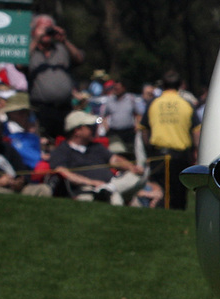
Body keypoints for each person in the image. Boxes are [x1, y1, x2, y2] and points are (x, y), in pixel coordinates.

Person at [48, 111, 146, 204]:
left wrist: (131, 167)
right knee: (113, 196)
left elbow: (114, 159)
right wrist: (92, 183)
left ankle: (108, 189)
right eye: (90, 127)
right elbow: (64, 173)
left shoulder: (96, 147)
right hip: (86, 189)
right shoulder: (61, 151)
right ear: (77, 131)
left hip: (113, 183)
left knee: (141, 175)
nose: (94, 129)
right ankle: (108, 190)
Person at [141, 70, 197, 210]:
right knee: (179, 194)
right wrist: (196, 151)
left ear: (163, 85)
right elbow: (197, 131)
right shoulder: (187, 104)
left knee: (160, 192)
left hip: (158, 154)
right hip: (181, 156)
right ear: (179, 85)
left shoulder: (153, 103)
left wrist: (148, 150)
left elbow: (144, 129)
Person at [27, 14, 84, 139]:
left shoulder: (61, 49)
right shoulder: (31, 50)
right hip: (41, 109)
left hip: (65, 107)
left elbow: (79, 59)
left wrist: (64, 40)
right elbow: (20, 63)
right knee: (44, 141)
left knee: (65, 141)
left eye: (49, 28)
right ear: (33, 31)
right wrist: (36, 39)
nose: (47, 32)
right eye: (42, 28)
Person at [0, 116, 52, 196]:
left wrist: (21, 181)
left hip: (16, 187)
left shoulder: (6, 148)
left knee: (43, 189)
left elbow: (23, 170)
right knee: (1, 193)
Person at [98, 75, 146, 160]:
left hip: (129, 132)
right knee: (116, 153)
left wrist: (137, 126)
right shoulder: (109, 100)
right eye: (115, 88)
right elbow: (103, 116)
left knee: (130, 153)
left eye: (118, 88)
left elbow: (139, 114)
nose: (116, 90)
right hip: (114, 132)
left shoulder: (131, 99)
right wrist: (106, 127)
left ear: (123, 88)